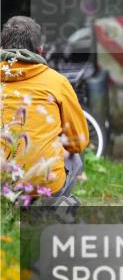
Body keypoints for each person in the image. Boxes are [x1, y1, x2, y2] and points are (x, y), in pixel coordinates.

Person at [1, 16, 89, 201]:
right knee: (75, 157)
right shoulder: (56, 82)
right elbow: (78, 141)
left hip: (3, 190)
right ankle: (56, 205)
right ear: (40, 50)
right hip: (44, 186)